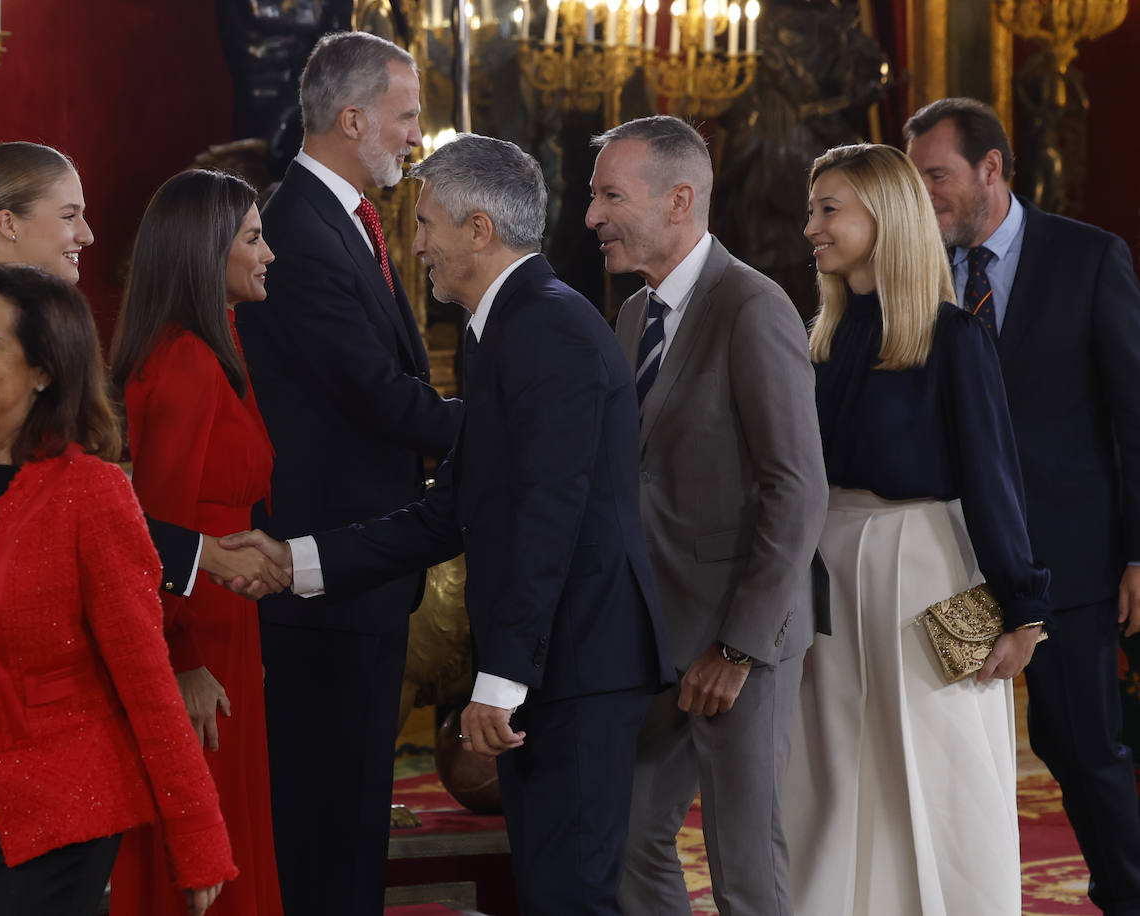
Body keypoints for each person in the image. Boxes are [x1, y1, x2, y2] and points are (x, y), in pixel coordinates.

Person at [227, 132, 671, 916]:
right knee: (551, 893)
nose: (416, 243)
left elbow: (548, 516)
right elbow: (449, 512)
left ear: (479, 229)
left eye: (427, 223)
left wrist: (501, 682)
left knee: (573, 898)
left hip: (580, 669)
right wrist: (294, 562)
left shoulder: (549, 328)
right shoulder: (502, 329)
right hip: (554, 667)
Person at [0, 264, 235, 916]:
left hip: (64, 807)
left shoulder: (92, 494)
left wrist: (198, 833)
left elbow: (146, 681)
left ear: (44, 370)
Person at [782, 142, 1051, 916]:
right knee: (830, 773)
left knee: (941, 772)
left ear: (885, 215)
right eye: (812, 210)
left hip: (929, 569)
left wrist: (1024, 610)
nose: (811, 228)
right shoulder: (819, 339)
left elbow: (993, 481)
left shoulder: (953, 337)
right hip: (826, 577)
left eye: (829, 209)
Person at [231, 30, 462, 915]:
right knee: (327, 820)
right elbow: (374, 394)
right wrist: (516, 429)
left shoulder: (343, 220)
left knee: (354, 811)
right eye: (406, 117)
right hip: (324, 573)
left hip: (360, 567)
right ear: (352, 116)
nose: (414, 136)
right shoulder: (297, 228)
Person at [585, 116, 828, 916]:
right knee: (627, 840)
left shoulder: (753, 308)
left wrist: (736, 646)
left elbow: (798, 492)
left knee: (745, 872)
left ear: (679, 199)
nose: (592, 217)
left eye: (609, 196)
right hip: (653, 640)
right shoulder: (629, 318)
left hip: (739, 643)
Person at [905, 98, 1140, 916]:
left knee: (1080, 747)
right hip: (955, 564)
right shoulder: (917, 272)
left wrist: (1139, 552)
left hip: (1066, 563)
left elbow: (1133, 415)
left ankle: (1127, 894)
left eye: (937, 175)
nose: (924, 193)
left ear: (990, 169)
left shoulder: (1088, 259)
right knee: (949, 749)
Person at [0, 141, 283, 601]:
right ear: (9, 224)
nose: (88, 235)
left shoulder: (36, 337)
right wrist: (200, 557)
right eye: (69, 215)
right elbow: (10, 511)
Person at [107, 169, 282, 916]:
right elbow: (147, 529)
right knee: (202, 851)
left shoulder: (213, 346)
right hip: (197, 633)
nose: (269, 252)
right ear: (204, 253)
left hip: (224, 620)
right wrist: (180, 661)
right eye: (251, 237)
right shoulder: (184, 361)